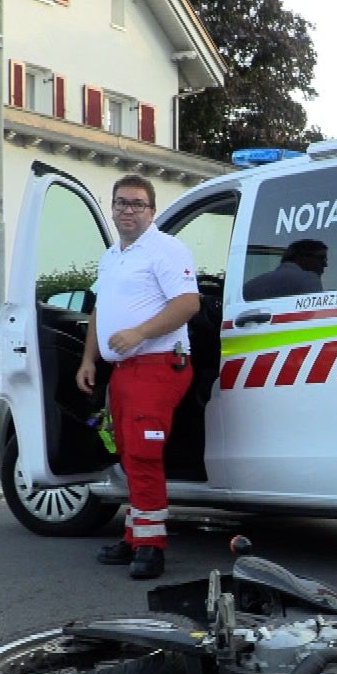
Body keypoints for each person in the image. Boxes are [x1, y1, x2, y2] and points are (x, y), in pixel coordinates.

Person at [76, 175, 200, 579]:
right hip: (123, 370)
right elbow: (100, 310)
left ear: (151, 210)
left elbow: (188, 303)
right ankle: (135, 536)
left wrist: (139, 334)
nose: (128, 210)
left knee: (144, 453)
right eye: (121, 203)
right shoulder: (113, 256)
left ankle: (150, 546)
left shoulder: (165, 249)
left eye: (137, 204)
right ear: (111, 208)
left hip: (159, 362)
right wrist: (89, 359)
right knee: (129, 454)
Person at [243, 238, 328, 300]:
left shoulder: (249, 286)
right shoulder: (309, 279)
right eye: (321, 258)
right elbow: (316, 314)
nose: (325, 264)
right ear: (302, 257)